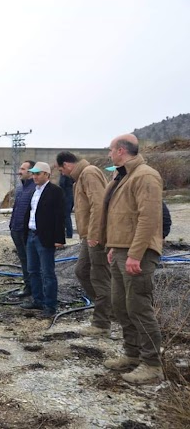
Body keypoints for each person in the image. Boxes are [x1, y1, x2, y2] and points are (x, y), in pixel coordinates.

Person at [102, 134, 164, 385]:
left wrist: (135, 253)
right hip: (120, 250)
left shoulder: (145, 176)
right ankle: (132, 354)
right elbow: (120, 215)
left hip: (137, 253)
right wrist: (113, 246)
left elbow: (148, 218)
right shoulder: (123, 175)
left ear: (120, 150)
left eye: (110, 150)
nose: (108, 154)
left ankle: (151, 364)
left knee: (138, 306)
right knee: (120, 304)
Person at [56, 152, 112, 337]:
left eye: (61, 169)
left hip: (95, 236)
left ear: (67, 164)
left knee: (99, 276)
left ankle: (102, 323)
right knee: (82, 271)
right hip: (88, 236)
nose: (62, 173)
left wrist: (95, 234)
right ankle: (107, 310)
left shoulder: (89, 173)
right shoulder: (80, 178)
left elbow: (99, 204)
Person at [19, 162, 65, 319]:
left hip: (45, 237)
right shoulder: (35, 191)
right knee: (33, 270)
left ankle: (50, 305)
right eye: (33, 174)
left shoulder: (55, 192)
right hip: (32, 235)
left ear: (47, 175)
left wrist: (59, 238)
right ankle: (38, 300)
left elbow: (60, 216)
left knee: (47, 272)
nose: (35, 176)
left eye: (38, 174)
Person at [9, 160, 36, 297]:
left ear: (31, 172)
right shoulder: (20, 189)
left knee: (31, 262)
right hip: (16, 229)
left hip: (27, 232)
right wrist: (11, 225)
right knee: (24, 260)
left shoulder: (34, 189)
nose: (20, 171)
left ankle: (35, 289)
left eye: (23, 169)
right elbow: (16, 208)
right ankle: (28, 287)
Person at [59, 173, 74, 238]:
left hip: (67, 196)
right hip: (71, 195)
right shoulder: (71, 174)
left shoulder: (64, 174)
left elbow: (62, 183)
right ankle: (68, 233)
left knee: (66, 215)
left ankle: (69, 233)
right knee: (67, 215)